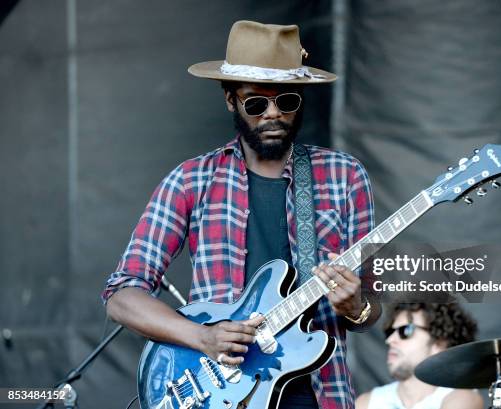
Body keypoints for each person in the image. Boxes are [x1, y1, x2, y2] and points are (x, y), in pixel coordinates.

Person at [102, 20, 380, 409]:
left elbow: (369, 309)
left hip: (318, 393)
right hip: (220, 392)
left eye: (287, 101)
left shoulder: (346, 176)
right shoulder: (191, 180)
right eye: (255, 103)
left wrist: (357, 305)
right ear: (230, 99)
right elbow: (122, 295)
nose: (272, 114)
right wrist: (203, 338)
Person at [356, 303, 483, 409]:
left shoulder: (462, 399)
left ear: (439, 344)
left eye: (405, 330)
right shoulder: (366, 402)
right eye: (390, 332)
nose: (390, 340)